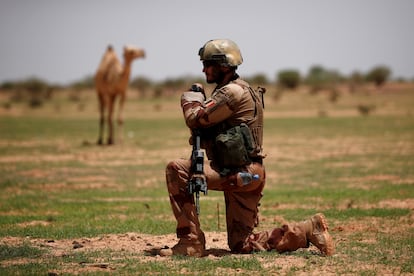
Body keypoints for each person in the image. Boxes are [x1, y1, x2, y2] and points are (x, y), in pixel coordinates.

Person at [160, 39, 334, 257]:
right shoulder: (241, 89)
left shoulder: (231, 92)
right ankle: (307, 231)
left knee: (176, 169)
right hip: (249, 173)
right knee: (241, 244)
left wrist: (190, 98)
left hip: (238, 172)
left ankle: (190, 242)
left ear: (223, 65)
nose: (203, 69)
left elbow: (195, 119)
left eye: (208, 64)